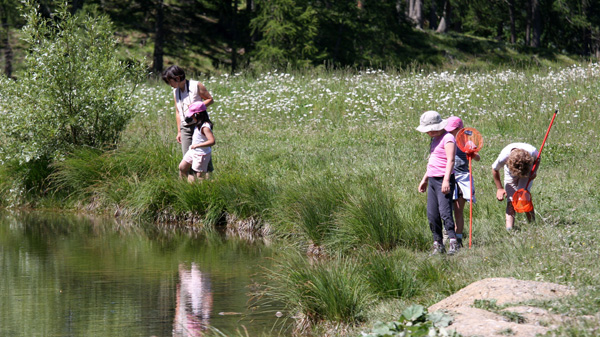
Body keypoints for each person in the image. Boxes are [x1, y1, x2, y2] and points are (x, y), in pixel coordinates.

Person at [417, 111, 460, 255]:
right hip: (433, 180)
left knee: (445, 211)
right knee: (432, 213)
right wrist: (425, 179)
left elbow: (451, 160)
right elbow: (432, 161)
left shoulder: (447, 138)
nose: (429, 132)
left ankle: (453, 241)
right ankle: (438, 243)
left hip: (444, 179)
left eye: (431, 129)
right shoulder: (434, 139)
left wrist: (446, 180)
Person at [162, 65, 214, 177]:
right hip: (185, 127)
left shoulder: (196, 85)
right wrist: (179, 131)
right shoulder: (175, 91)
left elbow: (210, 99)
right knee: (187, 159)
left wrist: (196, 107)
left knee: (202, 156)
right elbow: (177, 111)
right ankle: (188, 188)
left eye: (170, 81)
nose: (170, 85)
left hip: (199, 125)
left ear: (178, 78)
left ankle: (207, 183)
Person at [445, 117, 480, 247]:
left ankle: (458, 239)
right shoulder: (446, 140)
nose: (450, 133)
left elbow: (477, 157)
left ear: (460, 129)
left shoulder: (467, 141)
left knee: (458, 210)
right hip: (448, 176)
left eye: (453, 130)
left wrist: (471, 153)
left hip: (463, 177)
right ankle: (447, 236)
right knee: (446, 210)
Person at [491, 143, 538, 230]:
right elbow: (494, 169)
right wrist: (500, 188)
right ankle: (509, 229)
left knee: (524, 197)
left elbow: (538, 159)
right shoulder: (504, 158)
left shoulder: (532, 152)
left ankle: (533, 225)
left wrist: (534, 171)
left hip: (526, 171)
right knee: (511, 200)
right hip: (511, 173)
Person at [179, 102, 215, 182]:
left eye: (192, 114)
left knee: (200, 176)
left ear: (198, 114)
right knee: (182, 167)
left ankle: (202, 191)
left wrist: (198, 145)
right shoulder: (198, 123)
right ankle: (183, 185)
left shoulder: (205, 127)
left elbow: (212, 141)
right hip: (193, 151)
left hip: (201, 154)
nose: (191, 116)